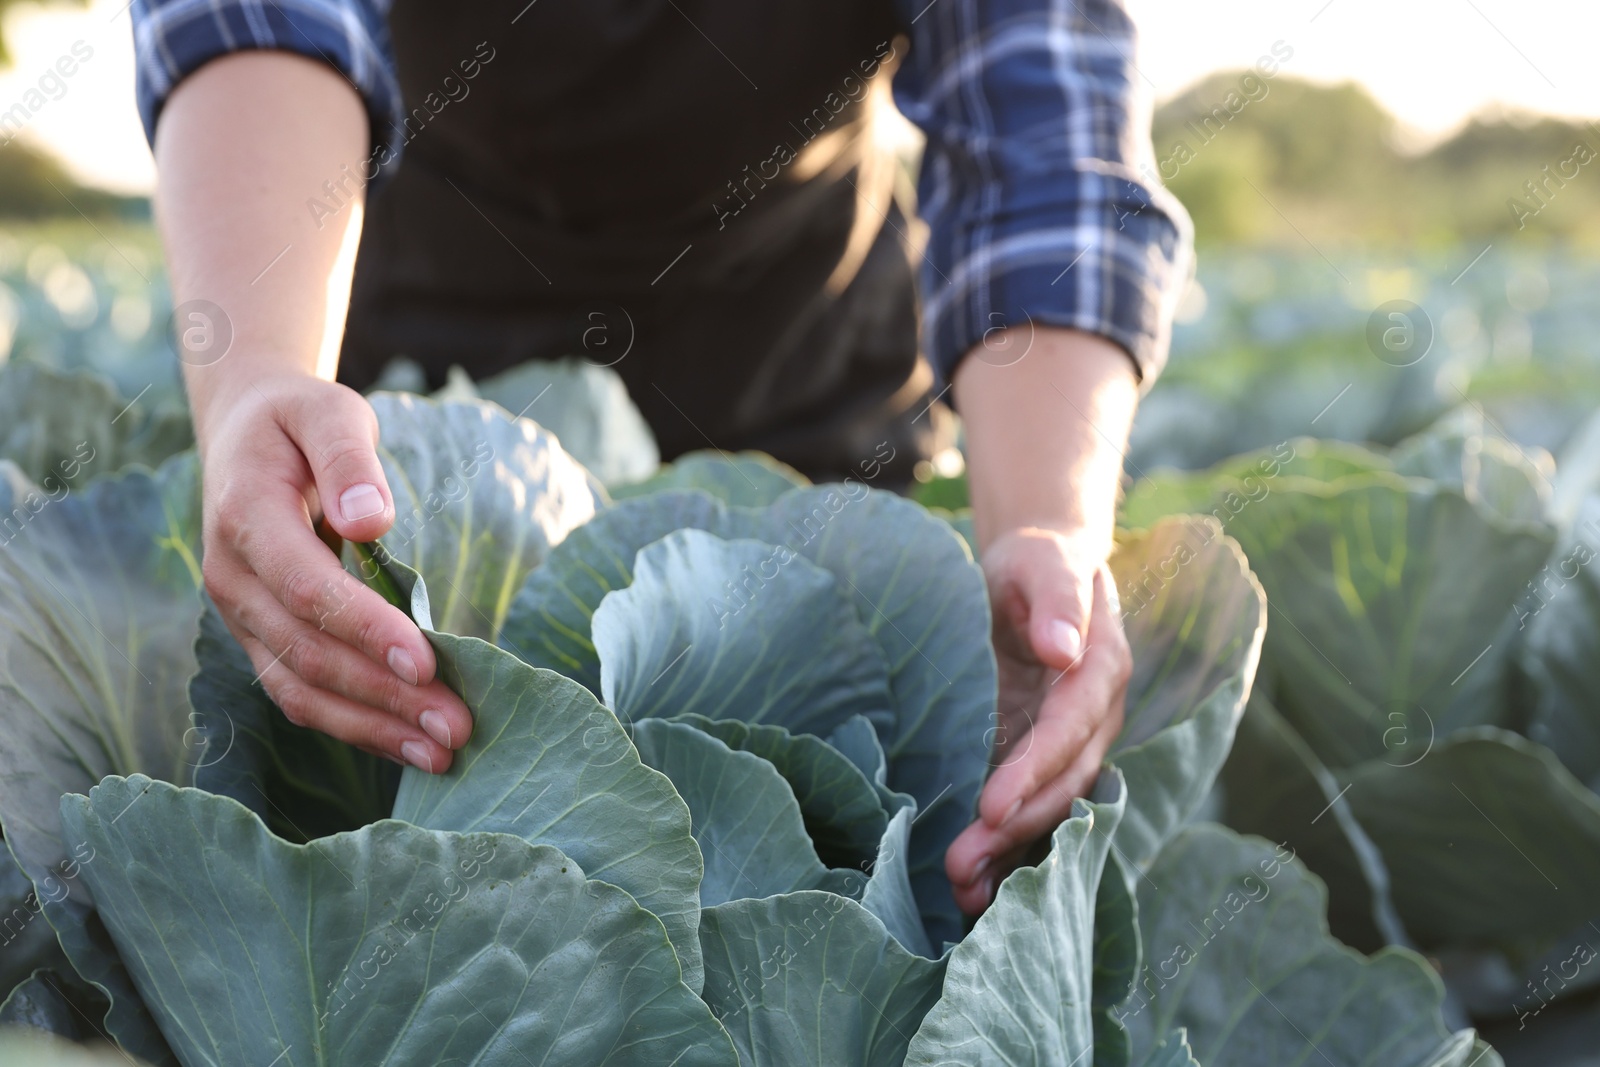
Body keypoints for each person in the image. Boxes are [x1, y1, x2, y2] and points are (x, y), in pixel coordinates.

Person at [135, 0, 1190, 914]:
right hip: (409, 437)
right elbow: (258, 16)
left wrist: (1048, 519)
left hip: (806, 392)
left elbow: (1044, 136)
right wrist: (259, 383)